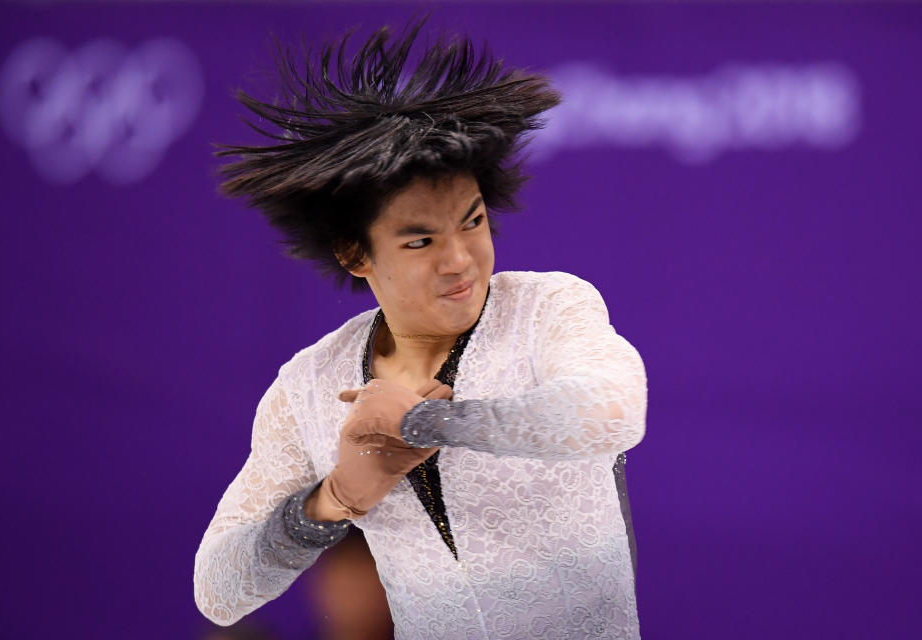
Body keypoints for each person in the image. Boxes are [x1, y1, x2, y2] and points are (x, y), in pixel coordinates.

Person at [194, 18, 648, 639]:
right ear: (355, 254)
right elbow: (217, 591)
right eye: (420, 240)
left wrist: (423, 424)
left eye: (473, 221)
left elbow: (612, 413)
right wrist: (333, 502)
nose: (459, 259)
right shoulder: (308, 387)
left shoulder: (547, 308)